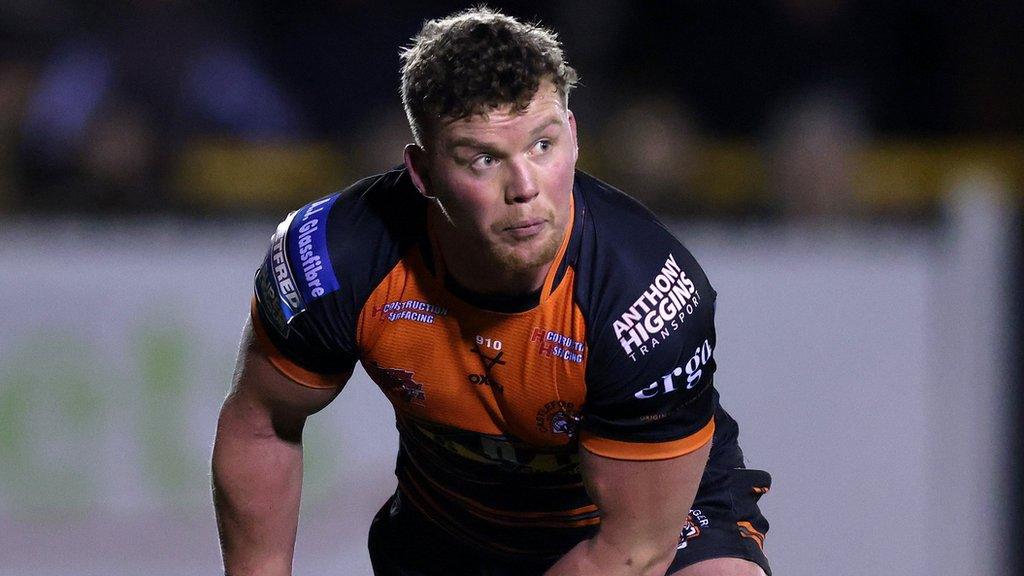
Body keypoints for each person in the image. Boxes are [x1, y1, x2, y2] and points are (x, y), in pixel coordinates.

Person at [212, 7, 771, 576]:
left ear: (574, 137)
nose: (525, 188)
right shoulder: (334, 257)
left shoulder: (645, 295)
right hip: (447, 531)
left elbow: (632, 552)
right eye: (483, 159)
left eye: (543, 146)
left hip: (643, 523)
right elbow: (262, 424)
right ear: (423, 173)